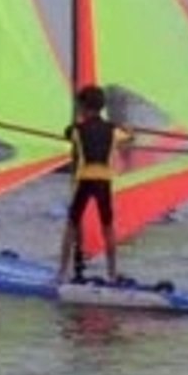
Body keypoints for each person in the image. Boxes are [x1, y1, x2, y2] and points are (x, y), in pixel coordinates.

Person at [56, 85, 133, 284]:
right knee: (107, 227)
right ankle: (112, 273)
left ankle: (62, 273)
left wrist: (79, 123)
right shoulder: (113, 131)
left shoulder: (76, 130)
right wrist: (127, 129)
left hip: (84, 180)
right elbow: (129, 138)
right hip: (103, 182)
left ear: (83, 108)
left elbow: (67, 132)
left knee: (72, 224)